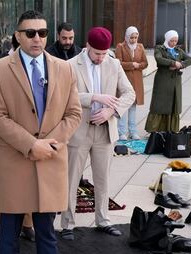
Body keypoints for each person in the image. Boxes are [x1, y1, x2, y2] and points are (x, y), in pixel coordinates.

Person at [0, 10, 82, 254]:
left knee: (47, 234)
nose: (37, 38)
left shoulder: (64, 69)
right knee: (9, 236)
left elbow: (74, 114)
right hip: (14, 161)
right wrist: (31, 144)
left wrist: (49, 143)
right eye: (30, 33)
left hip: (50, 161)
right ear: (17, 36)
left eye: (42, 32)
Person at [60, 27, 136, 240]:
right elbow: (65, 94)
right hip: (78, 131)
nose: (101, 58)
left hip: (105, 131)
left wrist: (112, 110)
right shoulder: (70, 65)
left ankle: (103, 220)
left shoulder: (114, 63)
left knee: (102, 179)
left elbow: (130, 93)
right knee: (71, 179)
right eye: (97, 54)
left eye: (104, 53)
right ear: (87, 47)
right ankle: (67, 224)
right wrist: (94, 97)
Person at [0, 35, 36, 242]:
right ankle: (4, 226)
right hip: (4, 137)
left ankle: (27, 224)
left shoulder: (35, 65)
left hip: (30, 136)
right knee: (4, 184)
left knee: (29, 183)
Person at [145, 30, 191, 133]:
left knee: (173, 104)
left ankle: (170, 128)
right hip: (162, 80)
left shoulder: (178, 50)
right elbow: (159, 59)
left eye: (175, 41)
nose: (174, 43)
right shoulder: (160, 48)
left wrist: (181, 64)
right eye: (172, 40)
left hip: (175, 81)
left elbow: (190, 60)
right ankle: (154, 128)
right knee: (159, 104)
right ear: (167, 39)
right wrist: (173, 63)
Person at [115, 26, 148, 140]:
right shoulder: (120, 46)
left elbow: (145, 63)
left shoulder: (140, 47)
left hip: (137, 81)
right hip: (125, 80)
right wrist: (131, 65)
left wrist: (139, 65)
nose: (134, 40)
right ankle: (121, 132)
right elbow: (118, 62)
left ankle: (133, 131)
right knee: (124, 107)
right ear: (127, 37)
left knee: (133, 107)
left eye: (135, 37)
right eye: (132, 37)